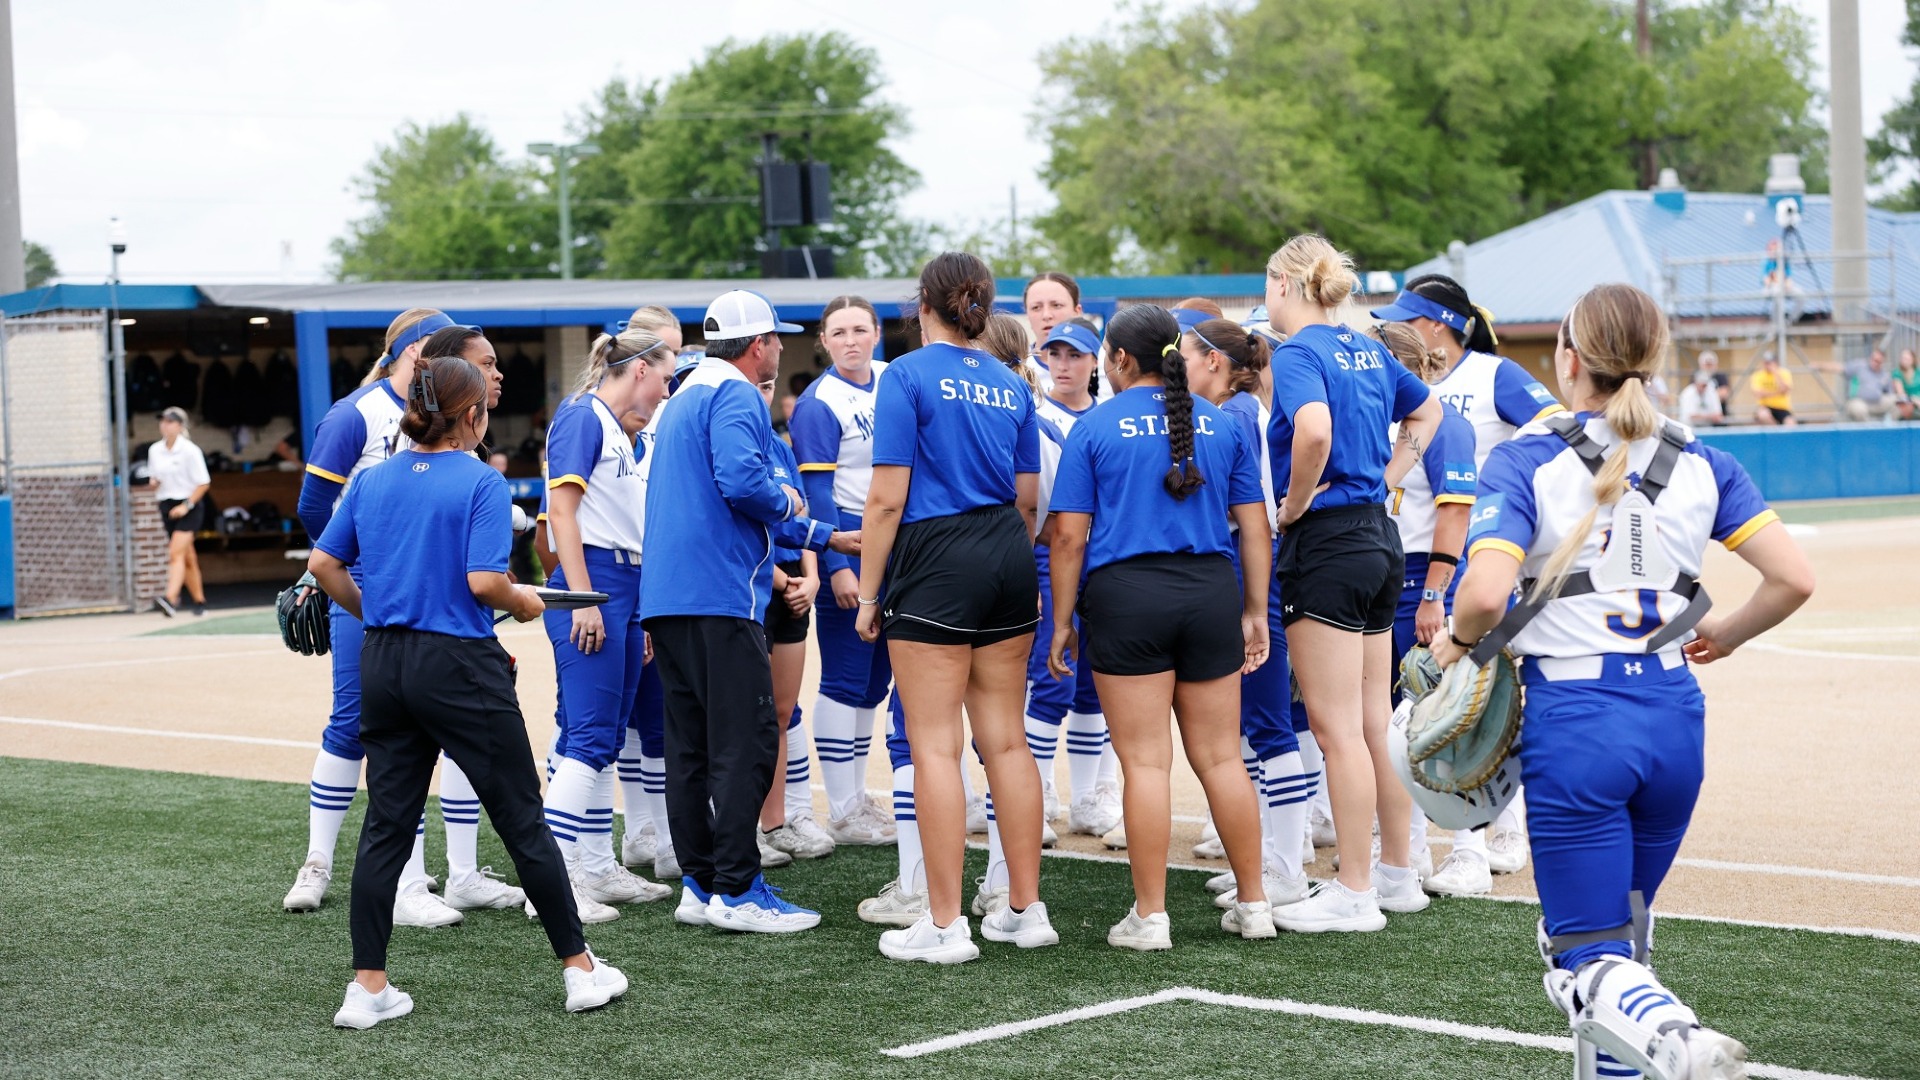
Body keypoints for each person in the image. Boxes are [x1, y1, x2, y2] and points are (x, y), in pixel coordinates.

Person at [1433, 282, 1813, 1079]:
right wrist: (1724, 633)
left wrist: (1455, 647)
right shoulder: (1705, 460)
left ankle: (1678, 1037)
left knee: (1582, 956)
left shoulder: (1526, 458)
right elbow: (1792, 580)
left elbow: (1479, 597)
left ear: (1569, 361)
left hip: (1578, 722)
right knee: (1623, 941)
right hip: (1675, 716)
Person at [309, 356, 628, 1028]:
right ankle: (580, 971)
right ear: (473, 416)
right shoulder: (482, 482)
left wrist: (373, 614)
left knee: (387, 826)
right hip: (458, 665)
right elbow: (487, 582)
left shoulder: (373, 482)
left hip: (385, 663)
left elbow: (323, 563)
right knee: (520, 819)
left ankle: (367, 989)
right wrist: (524, 602)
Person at [1046, 304, 1275, 950]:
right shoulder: (1222, 424)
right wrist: (1254, 609)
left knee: (1145, 765)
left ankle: (1151, 916)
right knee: (1223, 757)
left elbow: (1067, 537)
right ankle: (1254, 904)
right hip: (1209, 593)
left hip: (1128, 597)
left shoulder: (1094, 427)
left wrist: (1062, 622)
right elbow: (1254, 527)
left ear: (1117, 360)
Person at [854, 252, 1055, 963]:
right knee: (1007, 739)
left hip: (935, 555)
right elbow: (1029, 497)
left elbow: (885, 498)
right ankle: (1024, 910)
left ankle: (944, 925)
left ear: (923, 306)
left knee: (935, 743)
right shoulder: (1012, 382)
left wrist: (871, 594)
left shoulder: (904, 375)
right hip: (1006, 549)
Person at [643, 289, 849, 934]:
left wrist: (816, 535)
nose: (781, 347)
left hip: (672, 597)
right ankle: (735, 888)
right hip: (719, 595)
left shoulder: (683, 396)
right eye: (776, 338)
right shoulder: (733, 393)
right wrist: (792, 503)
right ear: (758, 344)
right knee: (749, 739)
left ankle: (702, 883)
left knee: (691, 748)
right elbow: (741, 483)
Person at [1267, 234, 1440, 932]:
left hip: (1330, 543)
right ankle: (1396, 874)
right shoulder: (1369, 347)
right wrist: (1387, 479)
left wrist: (1295, 503)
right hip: (1378, 536)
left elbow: (1311, 430)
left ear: (1286, 284)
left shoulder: (1298, 352)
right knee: (1371, 725)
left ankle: (1355, 889)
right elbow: (1426, 410)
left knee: (1337, 730)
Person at [1371, 272, 1563, 887]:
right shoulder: (1404, 386)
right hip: (1414, 555)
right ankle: (1489, 827)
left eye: (1405, 316)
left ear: (1436, 326)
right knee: (1428, 700)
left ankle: (1480, 840)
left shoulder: (1491, 373)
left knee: (1467, 702)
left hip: (1475, 556)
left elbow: (1560, 431)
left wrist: (1505, 488)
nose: (1391, 326)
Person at [285, 309, 473, 927]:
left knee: (428, 726)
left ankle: (436, 875)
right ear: (415, 348)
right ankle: (317, 861)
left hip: (431, 584)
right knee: (354, 719)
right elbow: (314, 503)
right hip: (368, 583)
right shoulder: (356, 413)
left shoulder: (449, 404)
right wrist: (342, 564)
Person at [540, 327, 680, 920]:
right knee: (590, 737)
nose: (665, 390)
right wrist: (583, 598)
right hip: (595, 581)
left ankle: (593, 866)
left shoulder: (615, 428)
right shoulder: (584, 416)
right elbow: (560, 515)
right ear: (641, 369)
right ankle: (550, 884)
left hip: (619, 584)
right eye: (666, 376)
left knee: (598, 738)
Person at [1178, 316, 1317, 911]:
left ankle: (1284, 864)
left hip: (1243, 560)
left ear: (1214, 360)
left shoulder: (1230, 414)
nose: (1178, 365)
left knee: (1266, 719)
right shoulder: (1236, 409)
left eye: (1185, 354)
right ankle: (1271, 859)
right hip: (1244, 558)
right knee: (1254, 723)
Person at [1371, 321, 1478, 887]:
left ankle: (1469, 852)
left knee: (1442, 721)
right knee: (1398, 723)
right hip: (1391, 576)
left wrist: (1434, 594)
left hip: (1427, 579)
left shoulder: (1445, 422)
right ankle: (1406, 849)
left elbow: (1454, 511)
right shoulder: (1390, 420)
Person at [787, 295, 895, 848]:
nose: (851, 340)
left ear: (877, 332)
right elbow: (815, 491)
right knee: (847, 675)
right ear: (824, 341)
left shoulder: (893, 378)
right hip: (851, 539)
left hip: (898, 534)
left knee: (876, 680)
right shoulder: (818, 402)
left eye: (860, 329)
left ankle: (857, 798)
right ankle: (843, 805)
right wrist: (835, 566)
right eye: (839, 332)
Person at [1024, 316, 1121, 845]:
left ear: (1095, 361)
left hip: (1102, 559)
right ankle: (1034, 799)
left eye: (1075, 355)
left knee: (1094, 684)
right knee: (1050, 679)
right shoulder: (1034, 416)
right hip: (1051, 556)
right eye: (1055, 354)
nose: (1064, 365)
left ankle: (1087, 800)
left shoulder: (1108, 416)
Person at [755, 375, 832, 863]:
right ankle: (744, 826)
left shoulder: (781, 448)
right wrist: (784, 583)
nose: (762, 394)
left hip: (793, 584)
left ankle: (776, 822)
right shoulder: (728, 444)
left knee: (781, 712)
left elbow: (801, 515)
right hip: (759, 582)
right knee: (750, 714)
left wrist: (811, 577)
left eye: (768, 387)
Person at [146, 406, 210, 617]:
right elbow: (154, 479)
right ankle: (200, 601)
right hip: (166, 504)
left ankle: (170, 598)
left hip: (189, 506)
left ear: (180, 426)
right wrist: (153, 483)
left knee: (175, 553)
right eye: (163, 420)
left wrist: (186, 506)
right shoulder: (155, 450)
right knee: (187, 557)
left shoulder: (190, 450)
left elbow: (203, 483)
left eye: (170, 421)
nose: (165, 425)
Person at [1843, 348, 1898, 422]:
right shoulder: (1859, 366)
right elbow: (1841, 368)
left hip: (1876, 402)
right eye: (1873, 359)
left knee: (1898, 402)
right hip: (1858, 401)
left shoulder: (1885, 375)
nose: (1875, 362)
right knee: (1859, 409)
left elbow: (1889, 393)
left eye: (1878, 361)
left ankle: (1888, 428)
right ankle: (1868, 431)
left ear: (1882, 362)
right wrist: (1822, 366)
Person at [1750, 353, 1795, 426]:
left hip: (1782, 408)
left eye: (1769, 363)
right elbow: (1758, 393)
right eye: (1765, 363)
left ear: (1776, 363)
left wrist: (1776, 374)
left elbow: (1786, 390)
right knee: (1763, 415)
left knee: (1790, 423)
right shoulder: (1758, 375)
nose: (1767, 365)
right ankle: (1776, 433)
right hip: (1765, 406)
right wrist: (1777, 392)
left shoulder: (1784, 373)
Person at [1896, 348, 1920, 421]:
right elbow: (1901, 393)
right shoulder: (1897, 373)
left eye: (1906, 358)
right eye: (1902, 358)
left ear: (1912, 359)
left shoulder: (1918, 372)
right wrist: (1914, 400)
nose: (1904, 360)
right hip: (1908, 402)